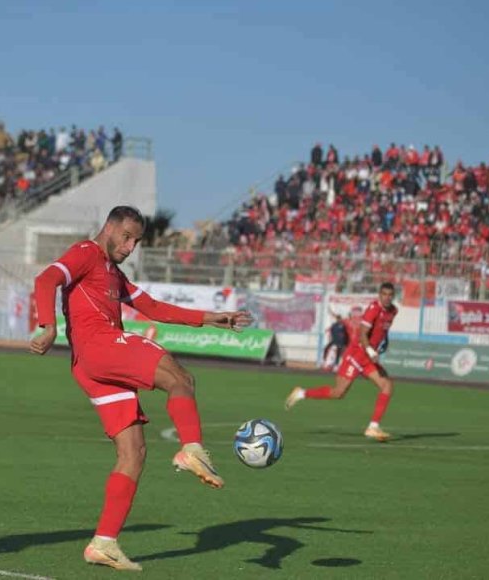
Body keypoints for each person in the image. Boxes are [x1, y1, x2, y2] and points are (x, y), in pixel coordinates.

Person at [30, 206, 252, 571]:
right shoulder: (87, 253)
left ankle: (104, 542)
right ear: (110, 228)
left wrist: (211, 318)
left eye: (137, 241)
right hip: (100, 346)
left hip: (89, 368)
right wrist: (47, 325)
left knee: (133, 453)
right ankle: (192, 449)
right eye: (127, 237)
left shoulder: (113, 273)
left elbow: (151, 306)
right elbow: (46, 280)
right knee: (181, 378)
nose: (131, 247)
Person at [285, 283, 398, 442]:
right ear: (379, 294)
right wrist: (371, 351)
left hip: (368, 359)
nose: (387, 297)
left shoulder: (393, 311)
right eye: (384, 294)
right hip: (356, 355)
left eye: (390, 294)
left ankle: (373, 427)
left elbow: (383, 331)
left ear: (393, 296)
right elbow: (363, 335)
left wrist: (384, 341)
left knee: (387, 386)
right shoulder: (373, 309)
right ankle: (301, 393)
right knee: (338, 393)